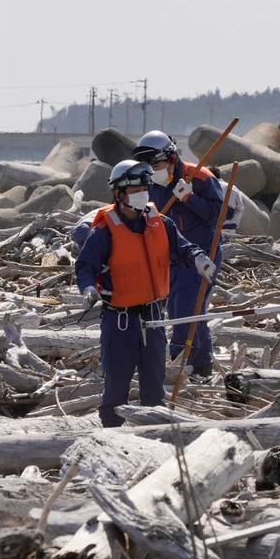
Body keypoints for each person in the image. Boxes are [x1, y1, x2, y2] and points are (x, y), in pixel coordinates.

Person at [74, 161, 215, 427]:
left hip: (153, 320)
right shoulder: (104, 232)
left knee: (154, 390)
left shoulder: (160, 222)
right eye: (135, 189)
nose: (142, 193)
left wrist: (199, 259)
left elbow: (183, 248)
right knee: (116, 390)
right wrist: (88, 288)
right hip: (120, 323)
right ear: (119, 194)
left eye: (144, 188)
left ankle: (155, 438)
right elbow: (85, 267)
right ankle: (111, 442)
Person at [131, 131, 225, 377]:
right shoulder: (149, 182)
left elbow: (218, 216)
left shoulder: (201, 177)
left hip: (201, 256)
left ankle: (181, 362)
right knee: (178, 309)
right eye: (147, 166)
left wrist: (190, 198)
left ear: (171, 158)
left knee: (186, 310)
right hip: (169, 259)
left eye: (156, 164)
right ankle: (202, 365)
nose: (152, 170)